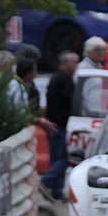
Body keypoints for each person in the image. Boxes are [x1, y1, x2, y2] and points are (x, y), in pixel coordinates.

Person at [40, 50, 78, 201]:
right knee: (64, 158)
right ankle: (46, 181)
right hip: (61, 124)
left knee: (55, 158)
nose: (76, 66)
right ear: (67, 63)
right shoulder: (66, 79)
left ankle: (57, 191)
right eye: (75, 62)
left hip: (52, 122)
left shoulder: (54, 77)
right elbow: (71, 101)